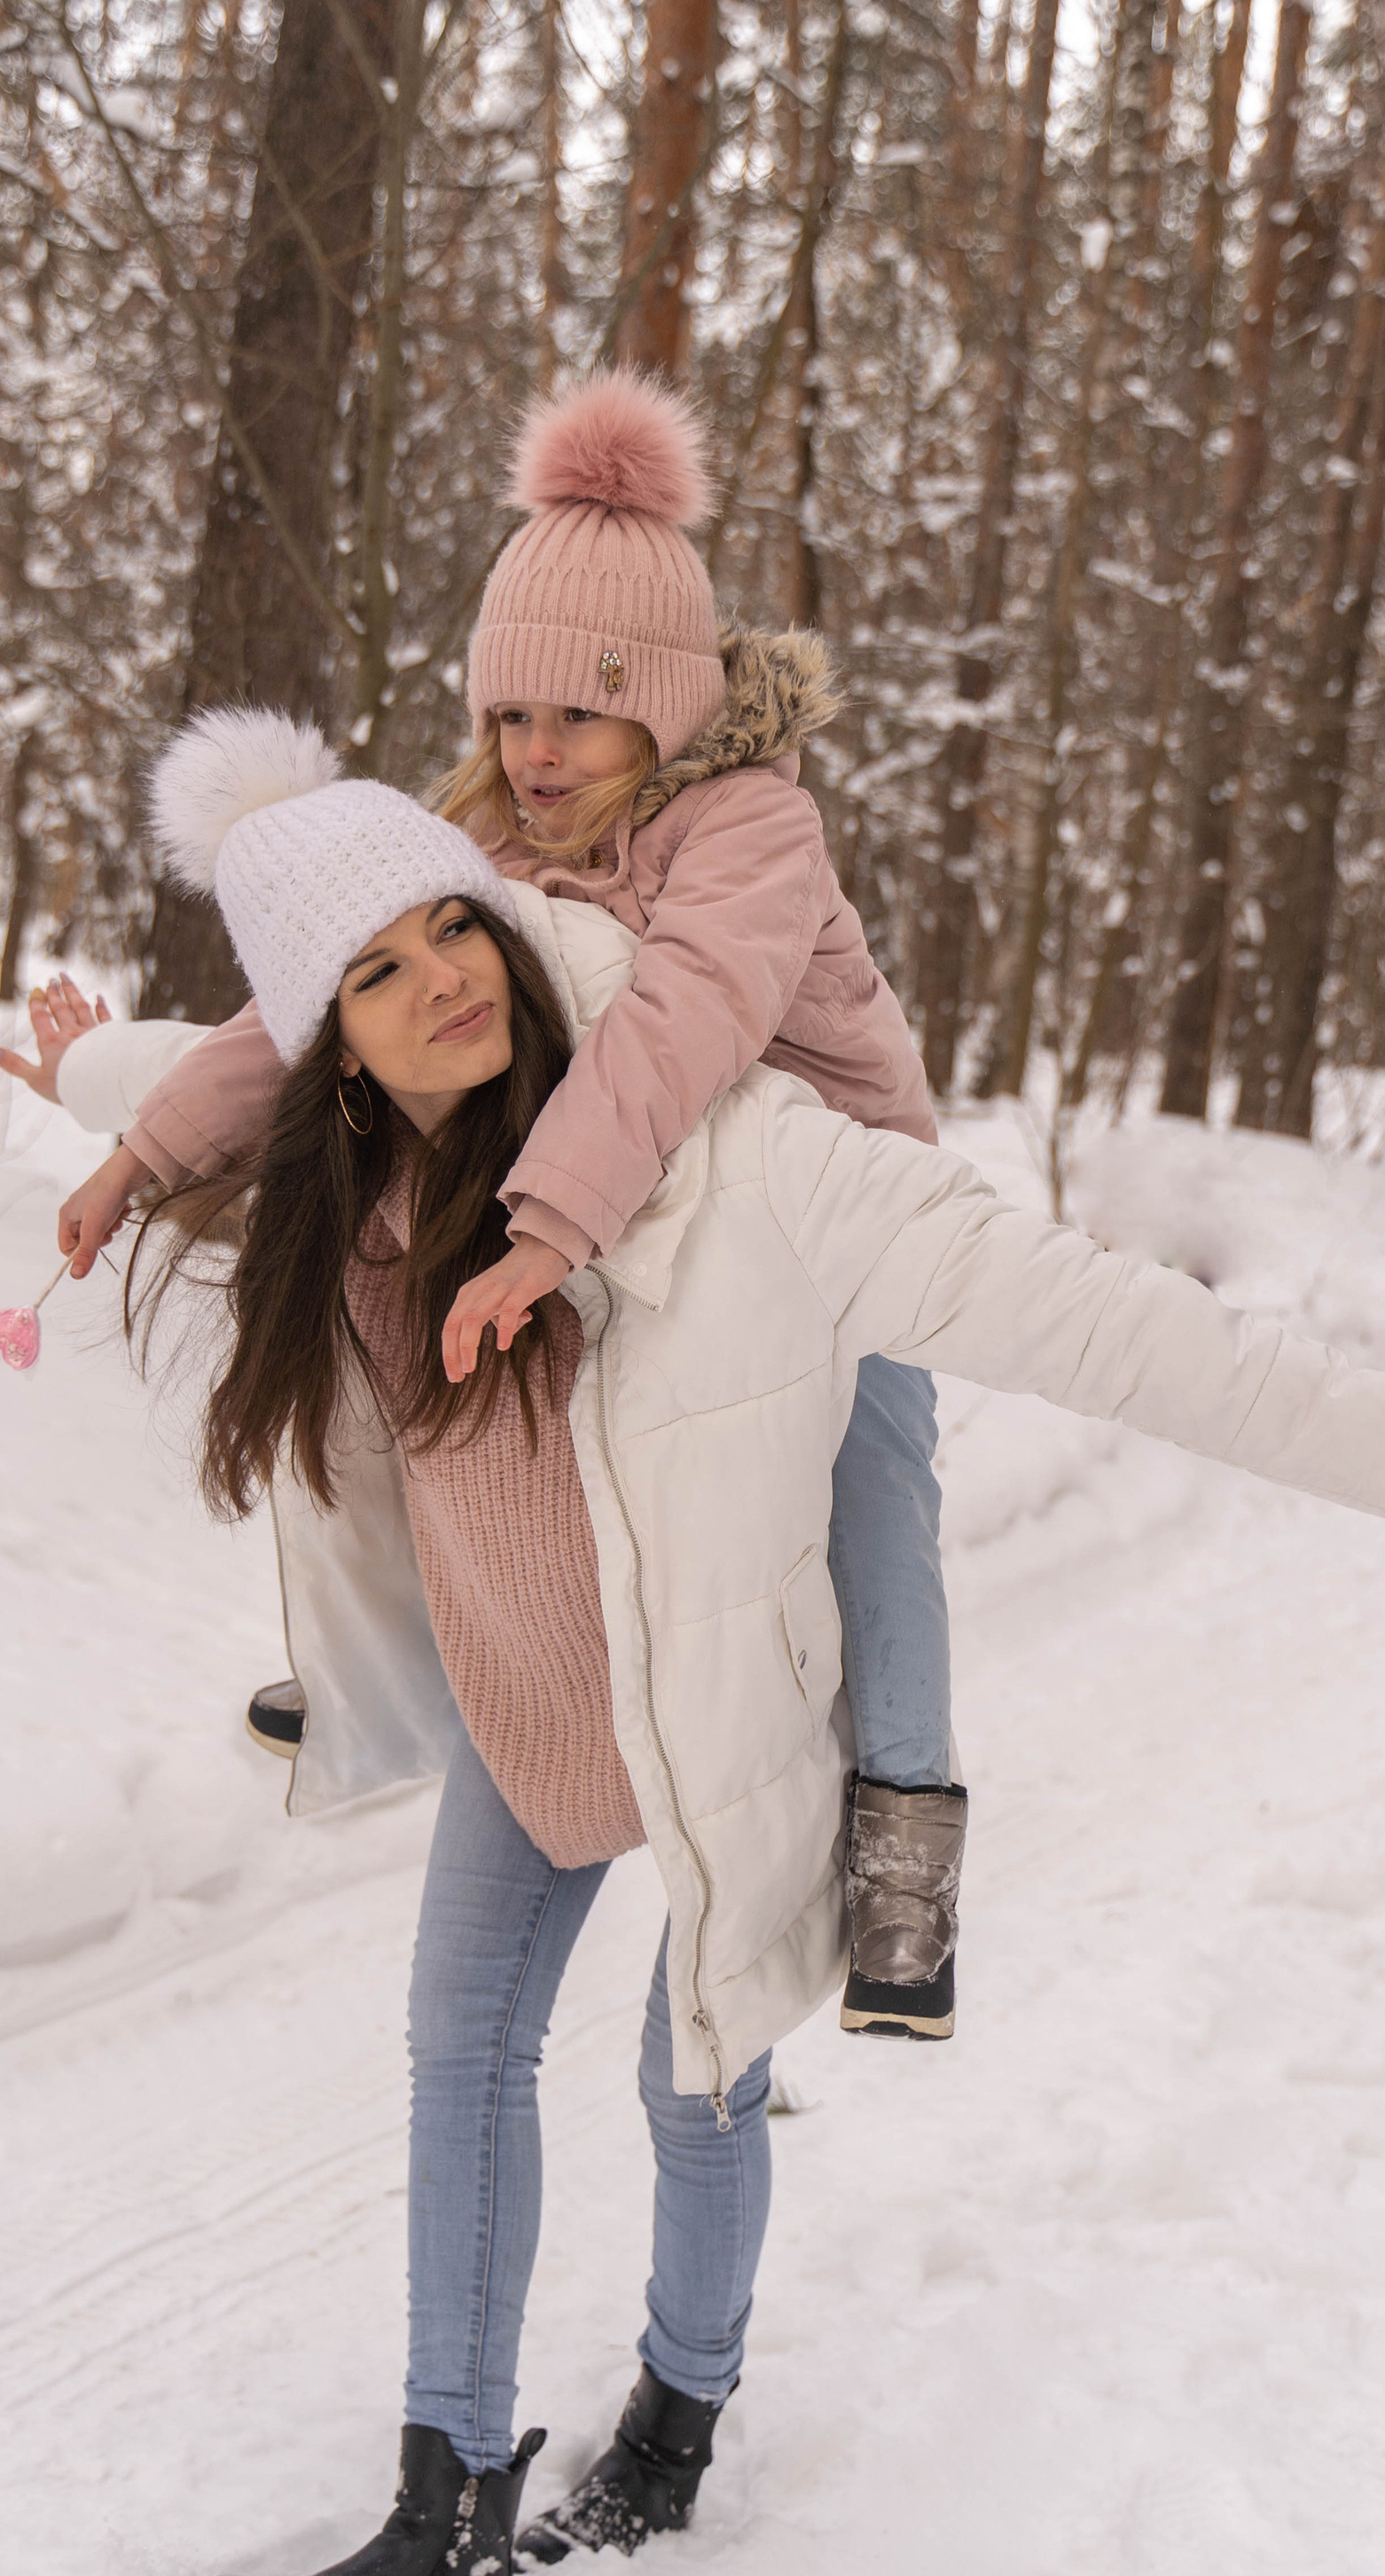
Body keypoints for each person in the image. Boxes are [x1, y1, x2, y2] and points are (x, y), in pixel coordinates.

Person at [37, 710, 1385, 2576]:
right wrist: (87, 1082)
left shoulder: (737, 1160)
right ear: (325, 1035)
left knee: (685, 2075)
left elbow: (1071, 1308)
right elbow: (203, 1071)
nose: (436, 978)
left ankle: (675, 2427)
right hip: (530, 1718)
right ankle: (443, 2530)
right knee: (456, 2054)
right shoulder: (347, 1188)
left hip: (714, 1721)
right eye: (373, 971)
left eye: (453, 928)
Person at [54, 372, 967, 2045]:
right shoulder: (483, 826)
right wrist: (150, 1149)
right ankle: (375, 1676)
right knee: (411, 1361)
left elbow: (686, 1021)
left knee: (876, 1473)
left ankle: (905, 1822)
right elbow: (313, 1006)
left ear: (667, 713)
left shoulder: (750, 824)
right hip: (625, 1212)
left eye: (579, 719)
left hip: (828, 1232)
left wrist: (548, 1221)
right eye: (510, 717)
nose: (535, 758)